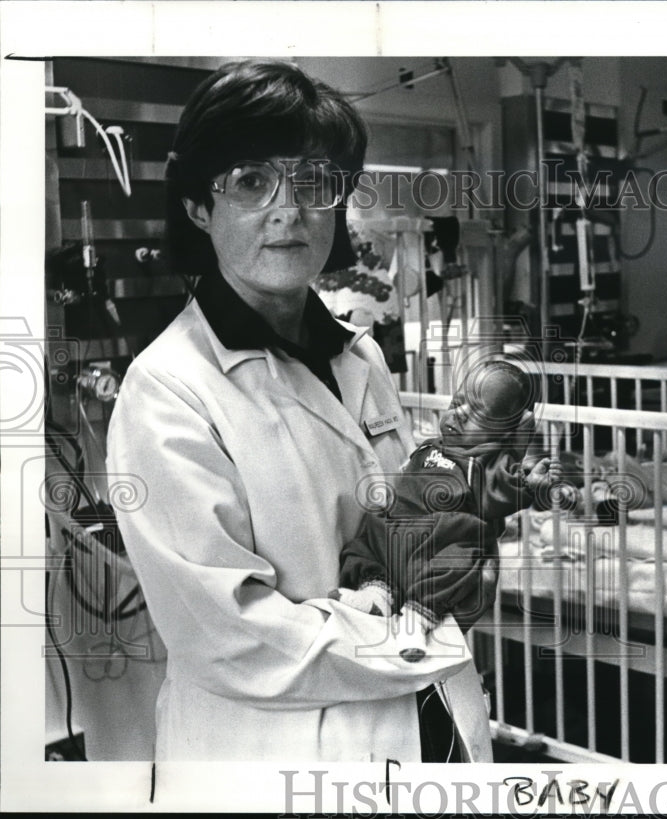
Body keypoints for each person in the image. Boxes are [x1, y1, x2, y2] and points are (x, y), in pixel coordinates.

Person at [106, 60, 494, 763]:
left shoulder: (360, 357)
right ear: (200, 205)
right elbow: (236, 637)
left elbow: (399, 529)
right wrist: (419, 627)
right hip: (275, 754)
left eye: (315, 182)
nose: (289, 209)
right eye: (251, 180)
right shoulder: (167, 389)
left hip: (423, 728)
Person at [336, 360, 562, 661]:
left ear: (503, 433)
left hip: (438, 540)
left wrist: (529, 483)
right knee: (365, 539)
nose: (459, 414)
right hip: (397, 527)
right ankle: (377, 594)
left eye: (477, 414)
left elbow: (503, 493)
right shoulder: (430, 447)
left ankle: (417, 619)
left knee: (464, 556)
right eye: (457, 402)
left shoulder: (482, 463)